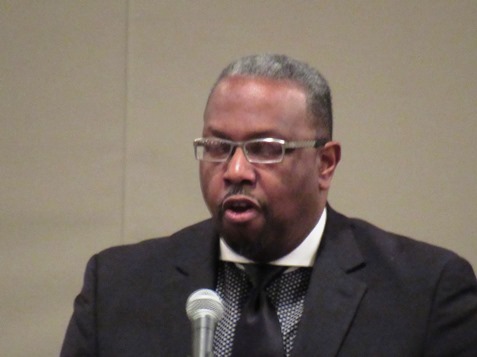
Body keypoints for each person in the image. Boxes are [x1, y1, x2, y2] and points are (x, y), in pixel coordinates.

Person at [61, 54, 477, 356]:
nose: (235, 169)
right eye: (218, 146)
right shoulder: (119, 286)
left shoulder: (425, 293)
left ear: (325, 163)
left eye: (265, 149)